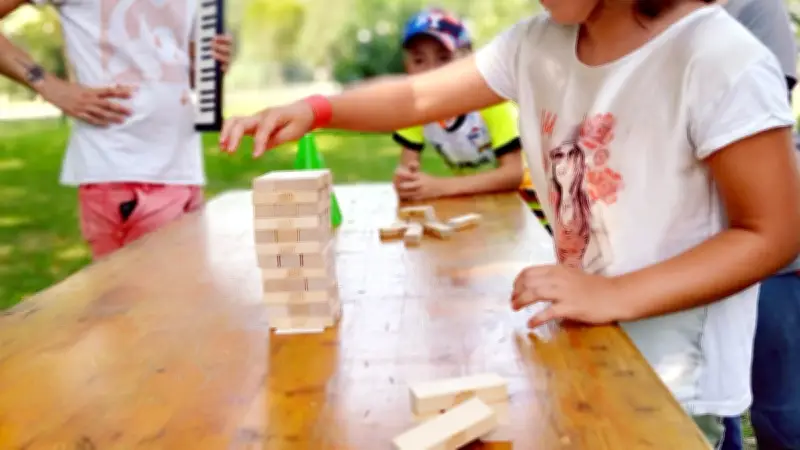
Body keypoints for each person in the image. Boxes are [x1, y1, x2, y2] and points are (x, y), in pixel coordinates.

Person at [219, 0, 800, 447]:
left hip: (672, 387)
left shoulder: (717, 56)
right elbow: (419, 96)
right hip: (583, 353)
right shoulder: (537, 42)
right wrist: (318, 110)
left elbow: (772, 232)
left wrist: (614, 293)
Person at [0, 0, 233, 260]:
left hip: (183, 169)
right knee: (144, 298)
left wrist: (203, 62)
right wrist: (51, 86)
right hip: (122, 171)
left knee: (183, 296)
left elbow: (169, 60)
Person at [718, 1, 800, 448]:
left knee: (783, 412)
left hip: (767, 251)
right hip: (694, 249)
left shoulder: (756, 5)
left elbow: (764, 110)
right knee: (715, 408)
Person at [392, 8, 551, 234]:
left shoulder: (492, 102)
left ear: (468, 58)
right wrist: (407, 183)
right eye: (419, 60)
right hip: (488, 207)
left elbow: (513, 174)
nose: (430, 71)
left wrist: (440, 187)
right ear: (407, 66)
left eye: (443, 58)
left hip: (540, 212)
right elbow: (407, 171)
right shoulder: (415, 113)